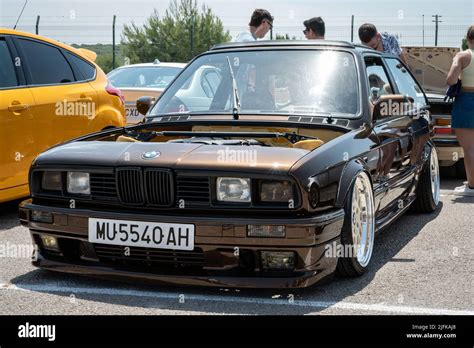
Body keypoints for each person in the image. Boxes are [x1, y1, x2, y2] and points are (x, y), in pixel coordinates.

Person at [446, 25, 474, 196]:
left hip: (467, 101)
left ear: (468, 39)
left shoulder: (463, 55)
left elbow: (450, 79)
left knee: (469, 148)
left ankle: (472, 186)